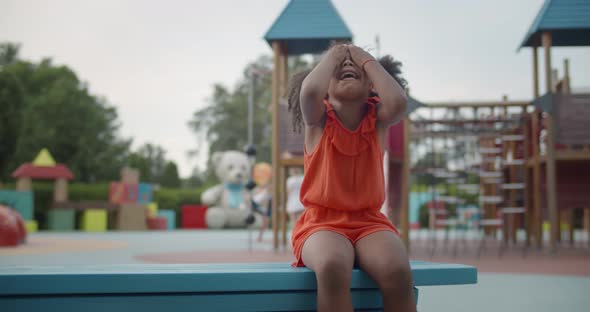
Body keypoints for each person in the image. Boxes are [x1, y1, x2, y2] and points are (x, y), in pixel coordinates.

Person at [286, 44, 415, 312]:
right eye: (339, 68)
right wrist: (333, 56)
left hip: (369, 222)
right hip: (322, 223)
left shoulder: (378, 121)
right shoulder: (318, 120)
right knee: (332, 266)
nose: (348, 65)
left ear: (371, 85)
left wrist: (364, 58)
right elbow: (309, 91)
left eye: (355, 67)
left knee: (398, 271)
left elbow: (399, 102)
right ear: (326, 86)